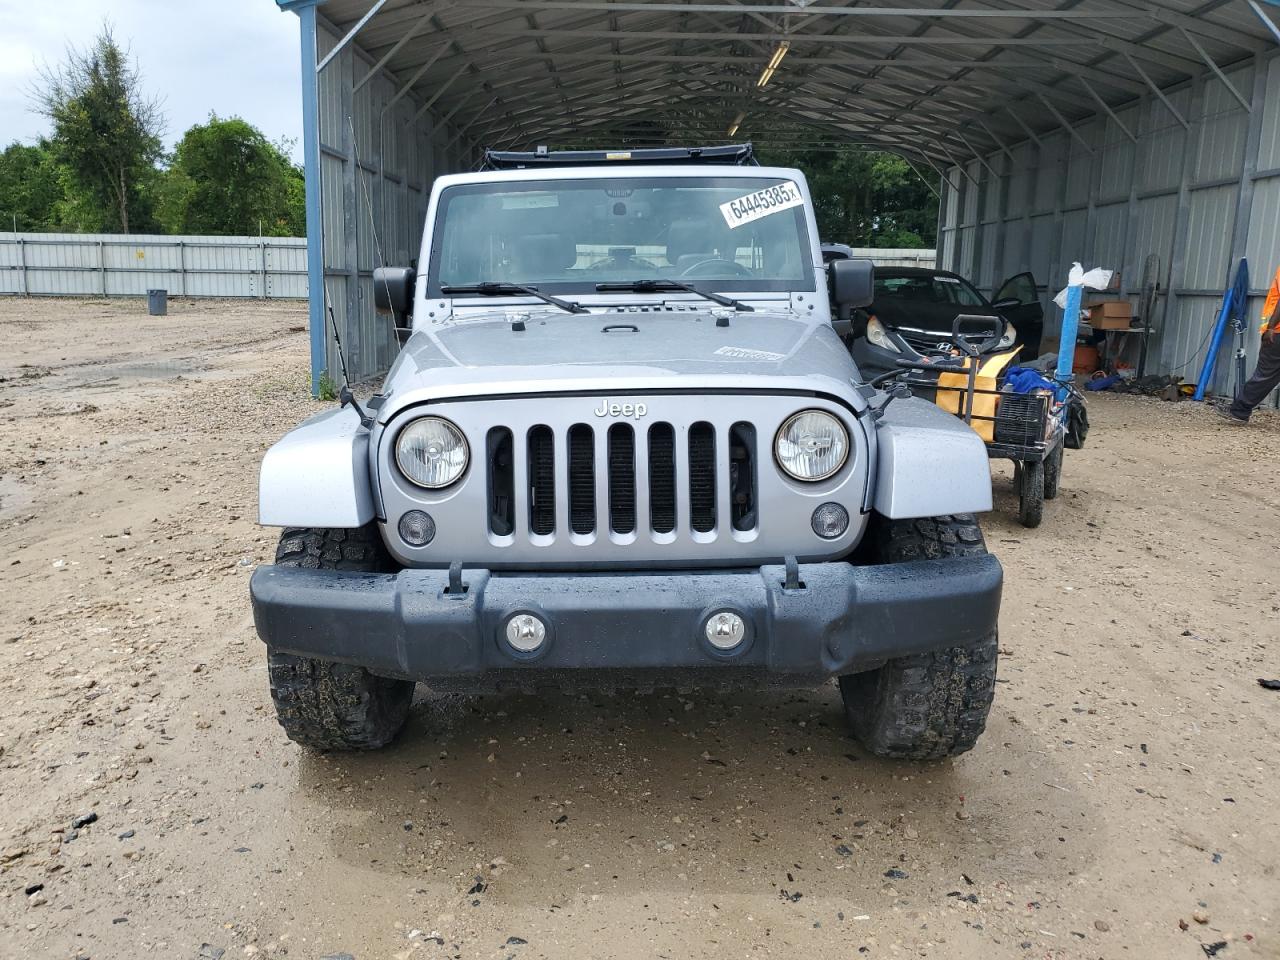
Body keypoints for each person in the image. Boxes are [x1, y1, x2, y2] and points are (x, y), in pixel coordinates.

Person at [1218, 266, 1280, 423]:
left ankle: (1239, 411)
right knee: (1268, 376)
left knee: (1264, 375)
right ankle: (1240, 410)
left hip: (1277, 333)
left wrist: (1271, 327)